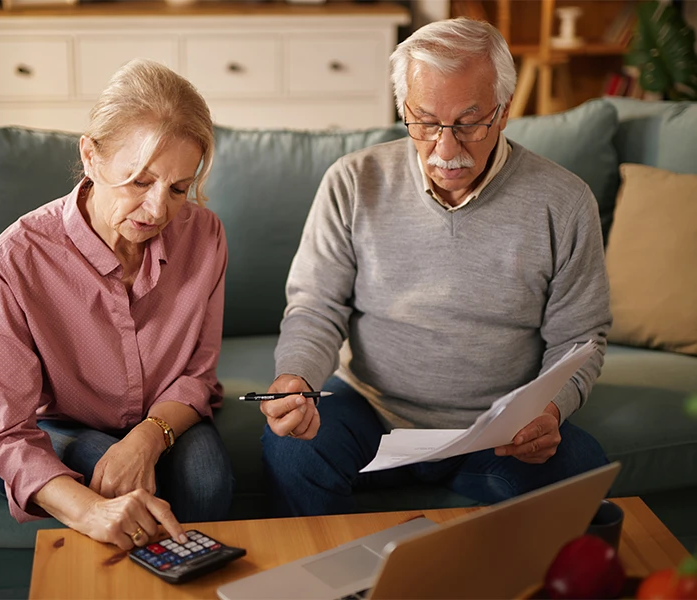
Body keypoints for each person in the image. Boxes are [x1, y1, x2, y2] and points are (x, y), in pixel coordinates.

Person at [259, 18, 612, 517]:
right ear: (404, 109)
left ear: (505, 111)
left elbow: (580, 340)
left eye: (469, 123)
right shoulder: (353, 182)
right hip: (368, 409)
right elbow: (316, 306)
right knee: (292, 453)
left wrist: (550, 409)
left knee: (586, 480)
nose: (446, 152)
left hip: (498, 424)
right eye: (424, 122)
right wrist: (296, 377)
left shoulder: (565, 201)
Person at [0, 59, 232, 549]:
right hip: (51, 417)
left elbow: (197, 374)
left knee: (207, 479)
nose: (157, 211)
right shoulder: (15, 258)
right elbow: (2, 433)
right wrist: (91, 513)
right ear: (90, 156)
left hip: (158, 411)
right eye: (140, 181)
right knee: (109, 472)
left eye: (178, 189)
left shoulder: (205, 235)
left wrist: (146, 439)